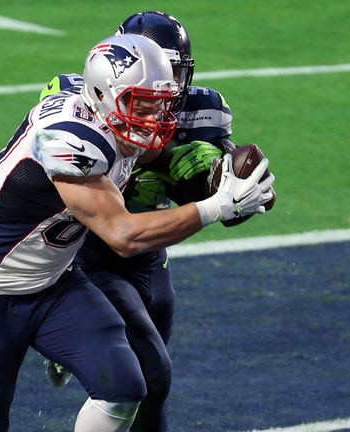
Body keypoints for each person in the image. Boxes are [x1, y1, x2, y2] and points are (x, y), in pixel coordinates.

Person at [0, 33, 274, 432]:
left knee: (124, 386)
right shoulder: (69, 138)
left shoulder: (111, 120)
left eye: (161, 104)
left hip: (56, 284)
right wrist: (219, 204)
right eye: (143, 104)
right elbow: (123, 234)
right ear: (103, 94)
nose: (156, 117)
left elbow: (166, 159)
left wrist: (217, 171)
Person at [39, 11, 254, 432]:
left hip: (149, 256)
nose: (164, 83)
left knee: (151, 389)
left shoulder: (203, 111)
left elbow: (227, 200)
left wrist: (219, 183)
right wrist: (165, 163)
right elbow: (55, 180)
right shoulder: (77, 99)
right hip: (84, 250)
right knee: (151, 372)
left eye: (172, 68)